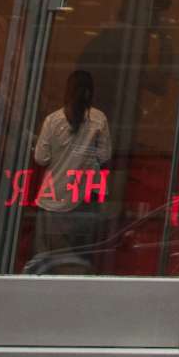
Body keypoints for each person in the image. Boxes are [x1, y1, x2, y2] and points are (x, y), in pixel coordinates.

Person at [30, 68, 112, 270]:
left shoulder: (52, 120)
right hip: (84, 199)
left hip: (54, 200)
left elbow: (41, 158)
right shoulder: (98, 119)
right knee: (80, 259)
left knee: (49, 260)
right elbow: (105, 156)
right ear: (90, 92)